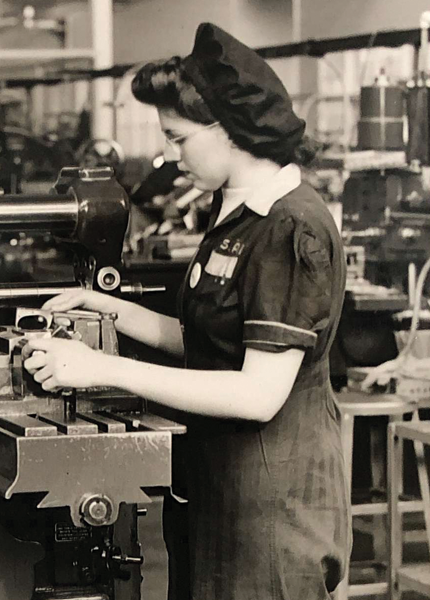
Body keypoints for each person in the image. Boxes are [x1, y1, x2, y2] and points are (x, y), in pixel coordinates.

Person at [23, 23, 350, 600]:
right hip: (215, 491)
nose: (171, 159)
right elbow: (203, 341)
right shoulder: (234, 215)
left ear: (229, 130)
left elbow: (256, 394)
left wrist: (99, 369)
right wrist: (107, 309)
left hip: (272, 511)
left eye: (178, 139)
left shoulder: (290, 226)